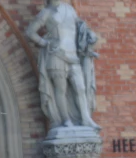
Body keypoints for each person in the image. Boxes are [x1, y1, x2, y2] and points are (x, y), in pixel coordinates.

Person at [26, 0, 99, 129]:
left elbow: (80, 26)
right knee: (61, 90)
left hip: (72, 55)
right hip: (56, 56)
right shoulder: (46, 12)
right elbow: (30, 32)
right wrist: (44, 43)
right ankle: (65, 120)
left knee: (80, 88)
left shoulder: (69, 9)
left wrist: (90, 34)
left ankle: (85, 118)